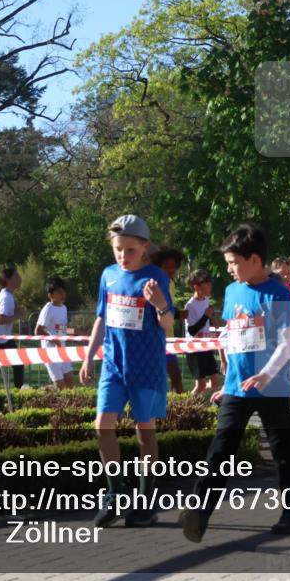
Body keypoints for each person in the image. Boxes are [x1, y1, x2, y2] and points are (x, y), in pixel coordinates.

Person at [178, 223, 290, 542]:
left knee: (283, 450)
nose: (230, 270)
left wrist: (267, 374)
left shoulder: (277, 292)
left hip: (272, 387)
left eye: (234, 263)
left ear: (254, 260)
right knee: (220, 449)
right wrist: (228, 382)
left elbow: (286, 341)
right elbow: (234, 339)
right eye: (227, 264)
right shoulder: (233, 291)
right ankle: (199, 511)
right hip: (237, 388)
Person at [82, 215, 174, 529]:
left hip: (145, 368)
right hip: (113, 367)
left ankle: (146, 501)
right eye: (118, 249)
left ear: (144, 247)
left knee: (144, 432)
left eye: (130, 250)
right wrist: (88, 355)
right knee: (102, 426)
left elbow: (168, 326)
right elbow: (101, 318)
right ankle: (114, 494)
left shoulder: (156, 278)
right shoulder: (108, 275)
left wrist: (161, 305)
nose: (123, 256)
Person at [183, 269, 222, 397]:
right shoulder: (190, 306)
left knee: (216, 382)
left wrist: (212, 320)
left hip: (206, 347)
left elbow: (206, 316)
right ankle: (187, 406)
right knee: (200, 385)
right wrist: (206, 316)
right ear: (196, 286)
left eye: (210, 283)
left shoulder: (205, 300)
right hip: (194, 349)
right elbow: (192, 330)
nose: (210, 286)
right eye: (207, 283)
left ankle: (195, 404)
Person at [153, 247, 186, 394]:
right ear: (159, 266)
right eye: (167, 266)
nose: (171, 269)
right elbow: (157, 307)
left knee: (176, 378)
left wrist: (176, 313)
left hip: (168, 338)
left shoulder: (170, 283)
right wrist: (178, 313)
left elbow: (167, 307)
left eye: (174, 266)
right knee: (160, 378)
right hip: (154, 340)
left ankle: (175, 411)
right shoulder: (155, 283)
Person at [36, 277, 73, 389]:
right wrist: (53, 339)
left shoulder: (64, 308)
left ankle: (45, 390)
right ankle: (43, 391)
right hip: (49, 352)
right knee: (60, 386)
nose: (63, 294)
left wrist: (75, 332)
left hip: (62, 350)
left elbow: (61, 329)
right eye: (59, 292)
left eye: (63, 291)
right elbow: (38, 330)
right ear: (50, 295)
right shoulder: (48, 309)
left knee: (69, 381)